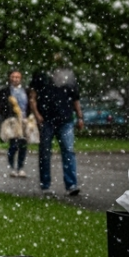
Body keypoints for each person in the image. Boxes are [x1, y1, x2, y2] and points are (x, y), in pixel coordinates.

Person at [30, 64, 83, 196]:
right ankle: (45, 185)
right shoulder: (40, 75)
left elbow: (75, 99)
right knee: (45, 153)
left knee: (68, 151)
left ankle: (71, 185)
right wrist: (37, 115)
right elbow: (32, 97)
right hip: (46, 121)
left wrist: (80, 117)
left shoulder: (68, 76)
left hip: (66, 121)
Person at [0, 69, 30, 178]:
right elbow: (1, 106)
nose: (15, 79)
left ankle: (20, 167)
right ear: (10, 78)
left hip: (24, 120)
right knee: (13, 145)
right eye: (13, 77)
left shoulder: (26, 91)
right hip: (12, 120)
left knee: (23, 145)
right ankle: (12, 167)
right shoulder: (4, 91)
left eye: (17, 77)